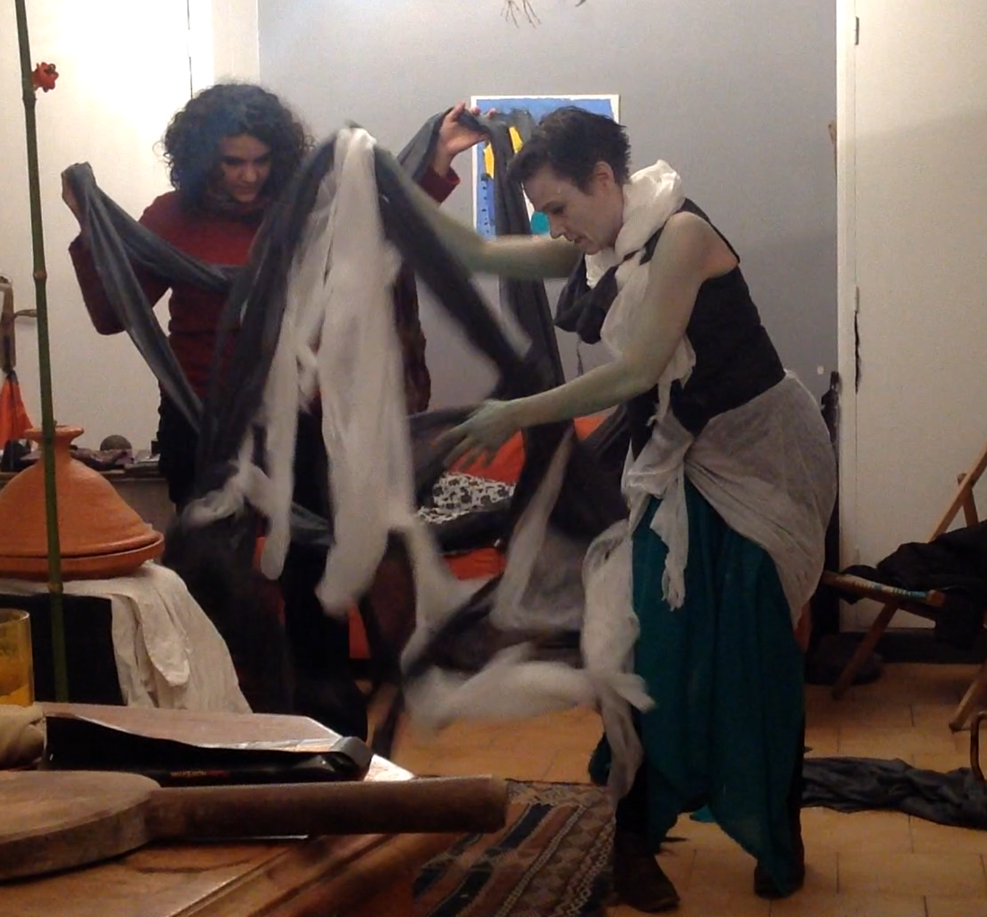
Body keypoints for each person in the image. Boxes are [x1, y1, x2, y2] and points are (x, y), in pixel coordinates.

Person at [423, 107, 836, 910]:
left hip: (759, 466)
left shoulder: (681, 235)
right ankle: (633, 836)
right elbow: (480, 253)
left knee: (756, 656)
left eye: (559, 207)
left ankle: (775, 835)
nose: (556, 227)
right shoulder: (606, 239)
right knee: (648, 654)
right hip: (677, 464)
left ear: (605, 179)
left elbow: (637, 370)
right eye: (544, 212)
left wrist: (513, 414)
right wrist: (417, 173)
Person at [62, 83, 487, 737]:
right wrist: (92, 230)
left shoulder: (303, 207)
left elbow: (379, 227)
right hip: (200, 421)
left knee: (313, 570)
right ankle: (224, 721)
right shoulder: (172, 216)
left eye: (261, 161)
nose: (249, 176)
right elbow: (112, 314)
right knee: (212, 575)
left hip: (300, 420)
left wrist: (436, 161)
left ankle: (329, 724)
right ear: (202, 158)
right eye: (233, 162)